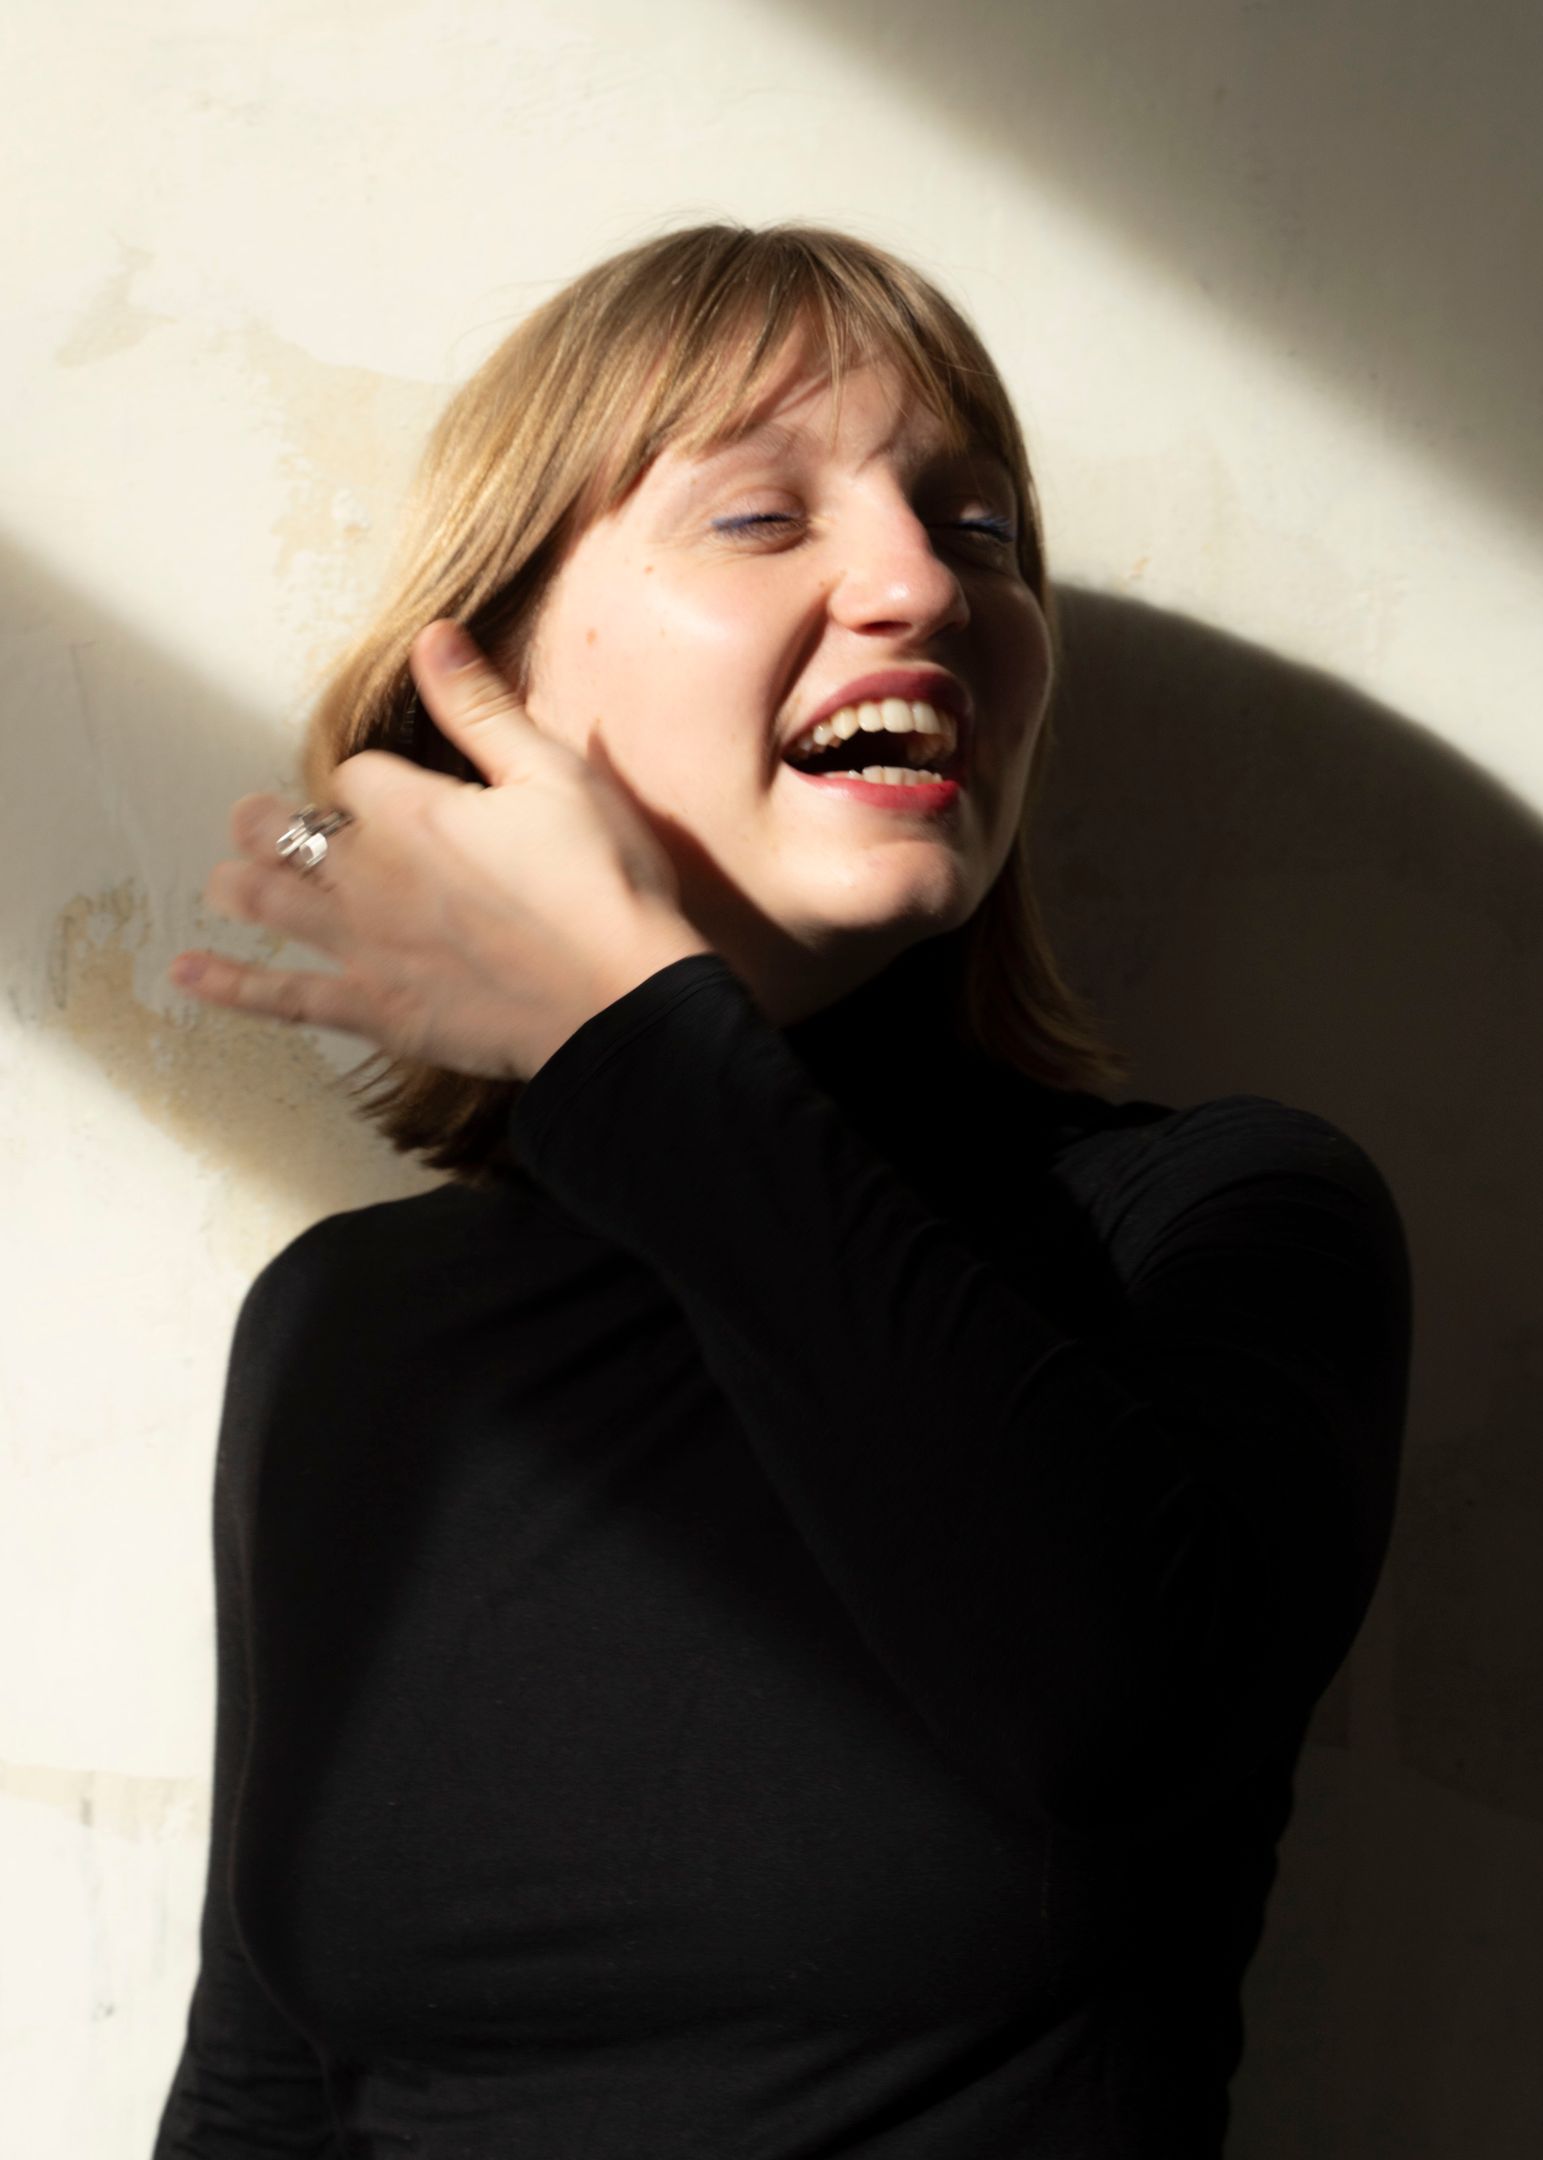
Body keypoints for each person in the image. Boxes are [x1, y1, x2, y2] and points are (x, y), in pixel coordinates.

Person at [151, 222, 1412, 2158]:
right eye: (759, 517)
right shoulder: (352, 1321)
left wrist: (622, 1035)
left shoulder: (1219, 1224)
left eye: (980, 529)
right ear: (489, 679)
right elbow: (262, 2086)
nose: (923, 584)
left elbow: (1113, 1722)